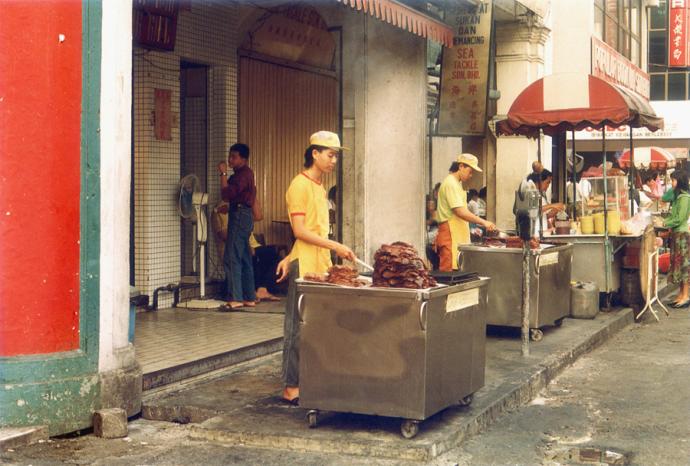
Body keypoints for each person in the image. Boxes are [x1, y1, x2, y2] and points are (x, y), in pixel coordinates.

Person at [275, 131, 356, 405]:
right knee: (298, 326)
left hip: (318, 262)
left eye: (336, 156)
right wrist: (336, 246)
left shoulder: (319, 187)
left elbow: (311, 231)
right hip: (306, 265)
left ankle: (310, 379)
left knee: (316, 325)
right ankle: (291, 386)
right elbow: (299, 231)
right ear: (315, 154)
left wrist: (289, 257)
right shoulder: (299, 185)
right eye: (330, 155)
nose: (334, 161)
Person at [435, 154, 496, 271]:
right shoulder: (450, 183)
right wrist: (484, 222)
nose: (471, 175)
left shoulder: (457, 184)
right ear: (461, 166)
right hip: (450, 235)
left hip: (458, 236)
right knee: (449, 273)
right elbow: (460, 211)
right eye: (470, 171)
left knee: (459, 270)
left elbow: (464, 211)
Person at [211, 201, 281, 302]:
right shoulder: (221, 209)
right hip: (239, 248)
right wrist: (244, 241)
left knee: (274, 254)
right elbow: (223, 234)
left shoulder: (243, 208)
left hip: (252, 246)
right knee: (262, 256)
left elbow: (259, 216)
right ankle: (249, 293)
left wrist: (253, 198)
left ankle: (262, 289)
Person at [217, 143, 257, 310]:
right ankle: (249, 297)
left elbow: (227, 194)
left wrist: (223, 173)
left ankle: (236, 297)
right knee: (244, 257)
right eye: (230, 156)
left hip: (240, 216)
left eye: (234, 157)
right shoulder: (245, 174)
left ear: (243, 159)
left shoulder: (242, 175)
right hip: (244, 215)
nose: (230, 159)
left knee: (232, 256)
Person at [663, 170, 690, 308]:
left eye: (673, 180)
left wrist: (664, 223)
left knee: (684, 267)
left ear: (679, 181)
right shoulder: (677, 196)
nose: (671, 183)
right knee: (678, 266)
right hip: (676, 234)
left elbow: (679, 218)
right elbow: (664, 197)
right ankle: (681, 294)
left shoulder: (684, 198)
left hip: (682, 235)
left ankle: (686, 296)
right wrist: (664, 221)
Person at [517, 169, 565, 236]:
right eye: (547, 182)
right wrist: (552, 205)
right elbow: (532, 210)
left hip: (542, 234)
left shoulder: (540, 196)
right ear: (539, 181)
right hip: (532, 234)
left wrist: (555, 210)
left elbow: (544, 215)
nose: (548, 185)